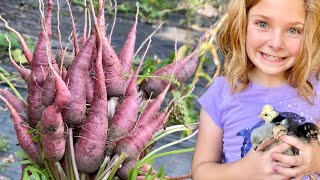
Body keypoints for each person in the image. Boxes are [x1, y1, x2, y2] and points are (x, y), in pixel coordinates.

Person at [192, 0, 320, 179]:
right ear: (241, 24)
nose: (276, 44)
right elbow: (201, 172)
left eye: (294, 30)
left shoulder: (316, 88)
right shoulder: (221, 94)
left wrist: (316, 160)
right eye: (262, 24)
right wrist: (245, 170)